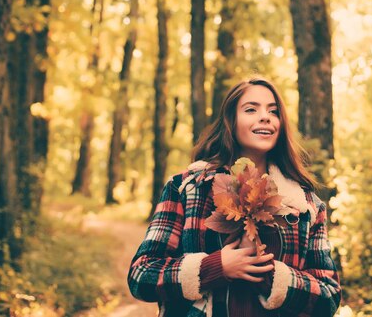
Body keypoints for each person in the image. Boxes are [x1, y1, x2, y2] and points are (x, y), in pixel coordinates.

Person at [128, 77, 341, 317]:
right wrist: (214, 268)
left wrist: (271, 278)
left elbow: (329, 296)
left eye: (273, 111)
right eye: (251, 109)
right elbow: (141, 274)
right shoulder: (187, 188)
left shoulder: (306, 205)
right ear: (231, 121)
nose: (265, 116)